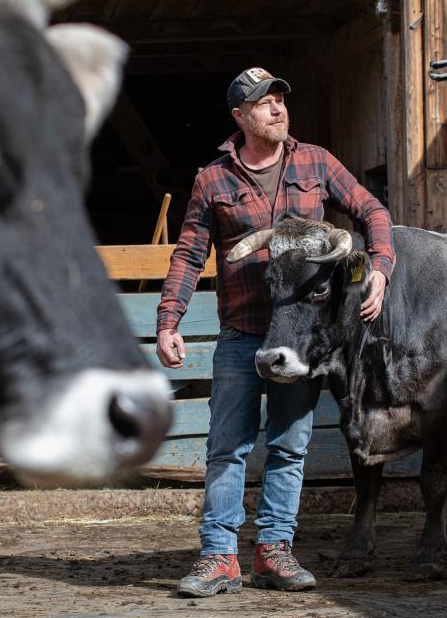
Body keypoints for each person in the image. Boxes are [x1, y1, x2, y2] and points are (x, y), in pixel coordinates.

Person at [157, 67, 395, 598]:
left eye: (280, 99)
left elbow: (371, 209)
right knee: (227, 447)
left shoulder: (315, 161)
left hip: (300, 342)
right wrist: (169, 321)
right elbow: (190, 253)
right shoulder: (212, 179)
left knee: (289, 447)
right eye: (264, 103)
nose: (277, 108)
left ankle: (274, 552)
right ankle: (218, 556)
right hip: (243, 334)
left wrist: (380, 265)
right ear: (240, 117)